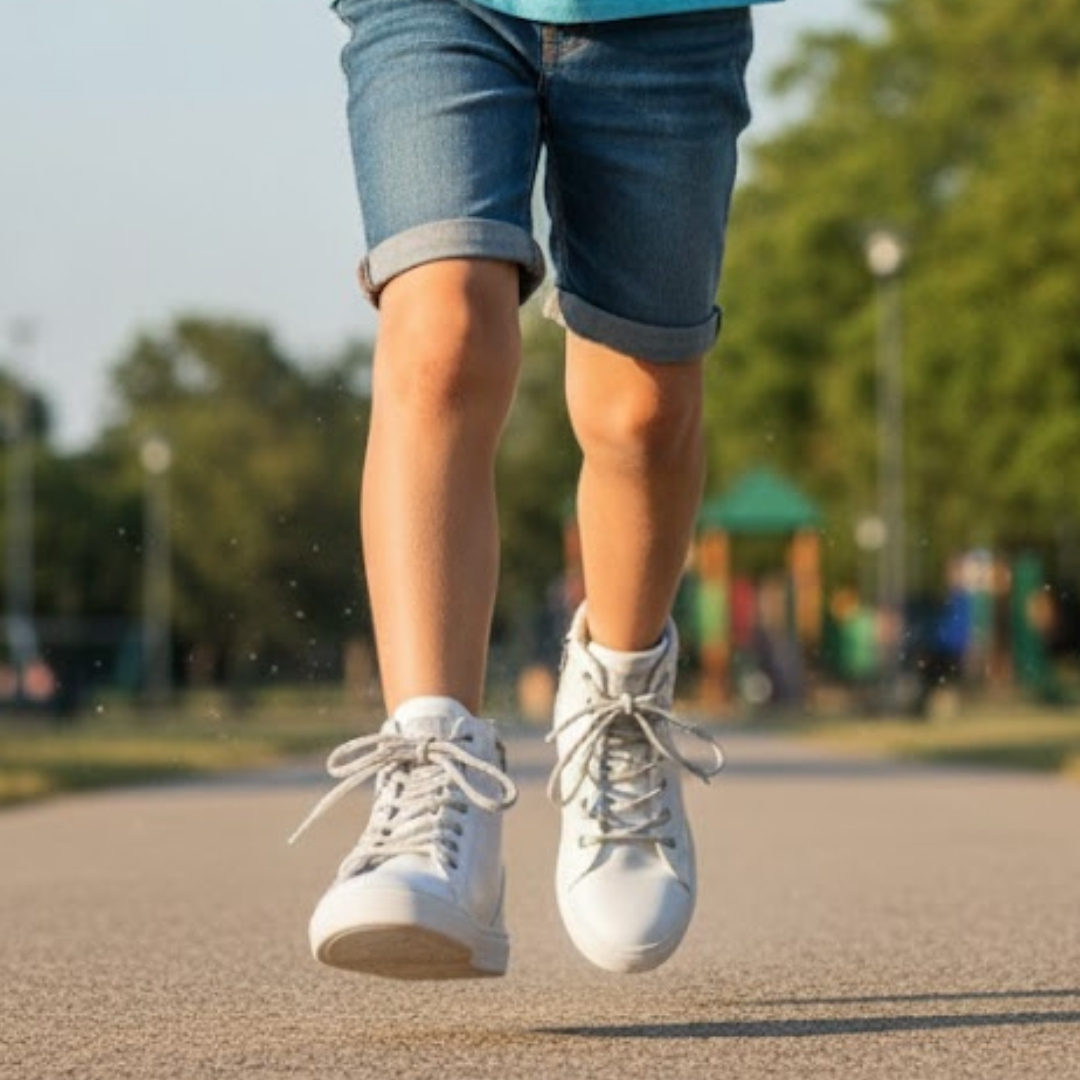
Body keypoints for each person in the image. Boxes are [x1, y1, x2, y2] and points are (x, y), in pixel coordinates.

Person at [290, 0, 771, 978]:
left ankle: (620, 701)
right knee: (441, 336)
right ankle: (432, 770)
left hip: (669, 20)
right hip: (434, 13)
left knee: (639, 411)